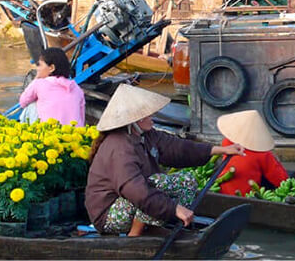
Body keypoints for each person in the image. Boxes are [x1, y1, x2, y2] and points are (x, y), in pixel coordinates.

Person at [85, 83, 244, 236]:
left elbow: (177, 148)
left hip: (135, 200)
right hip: (109, 214)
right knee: (156, 183)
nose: (153, 115)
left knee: (187, 180)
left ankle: (161, 227)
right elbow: (135, 190)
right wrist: (174, 209)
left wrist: (220, 150)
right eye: (148, 113)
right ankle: (136, 235)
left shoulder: (146, 135)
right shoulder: (119, 146)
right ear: (136, 119)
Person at [214, 110, 288, 196]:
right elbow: (281, 179)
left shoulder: (226, 142)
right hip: (247, 195)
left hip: (221, 192)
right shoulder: (262, 154)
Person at [18, 47, 85, 126]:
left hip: (50, 133)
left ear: (51, 68)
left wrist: (36, 78)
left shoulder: (39, 83)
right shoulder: (76, 88)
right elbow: (82, 117)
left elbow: (22, 102)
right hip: (74, 134)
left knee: (31, 105)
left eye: (40, 65)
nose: (37, 69)